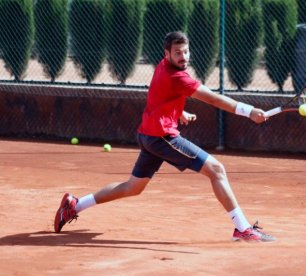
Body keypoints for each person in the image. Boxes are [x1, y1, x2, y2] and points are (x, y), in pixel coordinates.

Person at [54, 31, 275, 242]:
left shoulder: (162, 67)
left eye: (186, 51)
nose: (183, 57)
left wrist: (178, 112)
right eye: (178, 52)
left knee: (133, 187)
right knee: (216, 170)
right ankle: (243, 229)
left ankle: (75, 205)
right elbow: (213, 99)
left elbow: (160, 95)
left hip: (148, 134)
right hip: (162, 137)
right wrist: (249, 111)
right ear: (167, 54)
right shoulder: (178, 77)